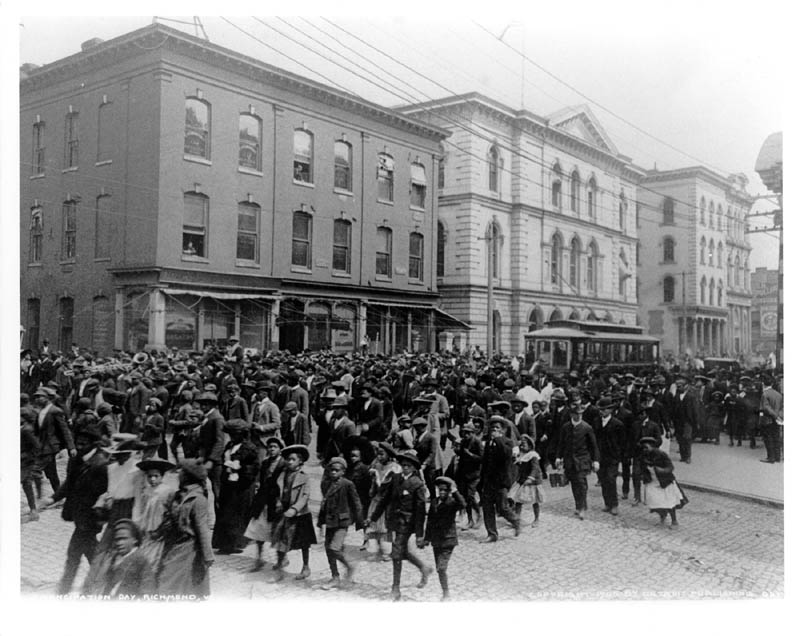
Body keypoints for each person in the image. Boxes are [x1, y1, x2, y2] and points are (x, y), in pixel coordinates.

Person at [42, 431, 110, 595]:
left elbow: (102, 493)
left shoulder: (101, 465)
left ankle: (67, 590)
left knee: (76, 554)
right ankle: (100, 582)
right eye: (78, 443)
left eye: (83, 443)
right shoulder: (78, 458)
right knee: (86, 553)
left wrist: (96, 517)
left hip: (90, 520)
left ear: (95, 444)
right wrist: (52, 498)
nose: (79, 446)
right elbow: (69, 483)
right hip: (80, 518)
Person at [368, 450, 432, 601]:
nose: (405, 468)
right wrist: (373, 518)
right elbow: (385, 499)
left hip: (407, 524)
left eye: (408, 466)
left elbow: (420, 511)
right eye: (403, 465)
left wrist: (419, 534)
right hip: (393, 521)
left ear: (414, 468)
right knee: (402, 551)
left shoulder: (417, 484)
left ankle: (395, 588)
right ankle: (424, 568)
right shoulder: (395, 479)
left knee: (396, 553)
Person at [156, 458, 214, 598]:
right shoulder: (178, 495)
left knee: (168, 581)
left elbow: (202, 529)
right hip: (173, 543)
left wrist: (208, 555)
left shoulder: (198, 499)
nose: (178, 474)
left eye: (181, 471)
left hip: (189, 547)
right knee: (173, 581)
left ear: (189, 475)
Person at [212, 419, 259, 554]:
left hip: (242, 487)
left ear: (242, 434)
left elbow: (254, 467)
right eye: (231, 434)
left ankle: (236, 543)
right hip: (229, 485)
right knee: (226, 513)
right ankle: (225, 543)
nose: (232, 437)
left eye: (235, 434)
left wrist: (240, 470)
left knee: (238, 515)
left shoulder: (249, 448)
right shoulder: (229, 446)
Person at [317, 456, 364, 589]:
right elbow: (324, 503)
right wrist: (320, 521)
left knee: (334, 548)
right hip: (330, 521)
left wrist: (360, 522)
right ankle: (335, 577)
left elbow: (356, 503)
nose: (333, 472)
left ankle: (349, 566)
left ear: (343, 471)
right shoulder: (326, 484)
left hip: (342, 522)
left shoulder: (347, 484)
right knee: (328, 549)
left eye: (337, 470)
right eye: (331, 470)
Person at [272, 444, 317, 581]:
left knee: (304, 543)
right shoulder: (282, 475)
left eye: (292, 459)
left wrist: (295, 508)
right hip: (284, 512)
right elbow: (277, 490)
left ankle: (305, 567)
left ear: (300, 461)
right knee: (280, 541)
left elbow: (305, 496)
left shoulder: (304, 477)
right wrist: (278, 502)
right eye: (287, 459)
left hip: (299, 514)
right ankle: (280, 568)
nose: (289, 462)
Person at [81, 518, 156, 599]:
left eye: (124, 539)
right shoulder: (111, 559)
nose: (119, 543)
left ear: (135, 540)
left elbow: (148, 590)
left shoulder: (141, 560)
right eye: (117, 540)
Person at [245, 437, 286, 571]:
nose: (272, 449)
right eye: (269, 447)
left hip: (277, 500)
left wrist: (281, 499)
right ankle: (259, 558)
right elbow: (261, 480)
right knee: (259, 530)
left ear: (280, 449)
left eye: (275, 446)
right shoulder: (265, 463)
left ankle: (281, 560)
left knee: (277, 531)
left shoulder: (284, 464)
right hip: (263, 500)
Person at [422, 475, 465, 601]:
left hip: (448, 540)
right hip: (436, 541)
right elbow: (430, 521)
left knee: (441, 568)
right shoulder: (434, 502)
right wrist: (426, 538)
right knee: (439, 569)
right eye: (440, 490)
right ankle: (444, 592)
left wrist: (455, 490)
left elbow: (463, 504)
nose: (442, 492)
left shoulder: (452, 502)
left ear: (449, 491)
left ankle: (446, 594)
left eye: (445, 490)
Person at [478, 417, 521, 541]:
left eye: (497, 428)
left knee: (502, 507)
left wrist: (498, 439)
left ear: (502, 430)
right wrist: (482, 481)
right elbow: (485, 463)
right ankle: (492, 534)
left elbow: (507, 456)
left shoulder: (507, 442)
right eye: (492, 428)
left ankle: (515, 521)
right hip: (489, 481)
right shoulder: (488, 443)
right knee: (487, 507)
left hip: (501, 481)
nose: (494, 430)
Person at [556, 401, 600, 520]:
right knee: (574, 483)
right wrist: (558, 457)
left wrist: (596, 461)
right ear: (571, 415)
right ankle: (578, 505)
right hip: (569, 460)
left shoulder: (587, 427)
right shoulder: (566, 427)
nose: (579, 416)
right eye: (576, 414)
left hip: (582, 460)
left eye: (580, 413)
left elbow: (594, 446)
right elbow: (561, 444)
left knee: (581, 483)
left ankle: (582, 507)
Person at [132, 458, 177, 567]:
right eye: (149, 476)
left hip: (160, 527)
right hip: (147, 527)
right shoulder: (146, 491)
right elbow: (143, 510)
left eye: (156, 476)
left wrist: (164, 527)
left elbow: (171, 511)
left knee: (157, 556)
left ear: (161, 477)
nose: (152, 479)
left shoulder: (167, 491)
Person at [639, 437, 688, 527]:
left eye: (646, 447)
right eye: (643, 448)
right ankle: (662, 516)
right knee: (656, 501)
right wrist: (644, 475)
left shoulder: (661, 454)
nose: (644, 449)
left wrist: (661, 470)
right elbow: (642, 467)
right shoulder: (643, 455)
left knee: (669, 502)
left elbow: (670, 467)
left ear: (652, 446)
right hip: (652, 481)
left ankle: (674, 521)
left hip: (664, 482)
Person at [365, 442, 401, 561]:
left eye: (381, 454)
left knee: (385, 528)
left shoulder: (395, 468)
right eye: (377, 454)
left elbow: (388, 488)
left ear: (388, 454)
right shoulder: (377, 465)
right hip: (376, 500)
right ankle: (373, 550)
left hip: (387, 502)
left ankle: (386, 551)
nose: (379, 457)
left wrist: (377, 476)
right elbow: (373, 489)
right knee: (373, 525)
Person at [595, 396, 626, 516]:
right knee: (603, 479)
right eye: (600, 409)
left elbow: (622, 442)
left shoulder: (618, 424)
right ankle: (607, 503)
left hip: (612, 457)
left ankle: (614, 504)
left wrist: (619, 456)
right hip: (600, 456)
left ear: (610, 410)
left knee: (610, 479)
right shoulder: (597, 422)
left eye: (603, 409)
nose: (601, 411)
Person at [509, 434, 544, 526]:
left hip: (533, 481)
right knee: (518, 500)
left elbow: (535, 468)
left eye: (524, 444)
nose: (522, 446)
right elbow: (520, 465)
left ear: (530, 445)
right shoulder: (522, 455)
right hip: (523, 480)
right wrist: (515, 460)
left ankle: (536, 519)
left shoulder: (533, 455)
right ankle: (517, 519)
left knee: (535, 500)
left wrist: (530, 478)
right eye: (521, 444)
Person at [453, 421, 482, 528]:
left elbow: (481, 458)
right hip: (464, 473)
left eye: (468, 433)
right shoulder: (464, 442)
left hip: (474, 474)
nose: (466, 435)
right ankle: (470, 519)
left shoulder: (477, 442)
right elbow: (461, 456)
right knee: (465, 497)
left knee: (470, 496)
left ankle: (479, 514)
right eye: (464, 432)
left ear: (473, 433)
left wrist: (469, 454)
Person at [760, 375, 783, 463]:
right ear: (772, 383)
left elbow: (766, 408)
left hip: (767, 419)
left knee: (768, 438)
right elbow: (781, 408)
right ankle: (777, 457)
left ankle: (770, 457)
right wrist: (778, 416)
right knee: (776, 437)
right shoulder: (779, 394)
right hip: (777, 420)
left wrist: (774, 415)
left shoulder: (765, 394)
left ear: (763, 384)